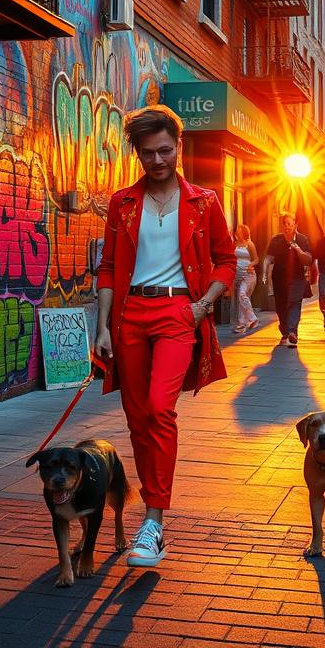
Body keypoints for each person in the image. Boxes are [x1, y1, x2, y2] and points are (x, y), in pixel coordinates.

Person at [95, 105, 236, 566]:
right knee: (137, 418)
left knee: (160, 407)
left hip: (179, 313)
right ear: (137, 154)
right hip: (130, 314)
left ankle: (154, 520)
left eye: (166, 151)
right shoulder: (123, 202)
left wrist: (201, 306)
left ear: (179, 148)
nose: (158, 161)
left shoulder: (204, 201)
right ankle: (150, 518)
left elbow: (226, 260)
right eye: (149, 153)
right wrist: (103, 326)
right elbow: (110, 268)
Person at [263, 213, 312, 347]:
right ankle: (285, 331)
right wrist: (264, 272)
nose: (287, 227)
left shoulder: (302, 239)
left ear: (295, 225)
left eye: (290, 224)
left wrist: (299, 251)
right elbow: (269, 258)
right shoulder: (276, 240)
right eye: (285, 224)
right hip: (279, 278)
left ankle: (292, 332)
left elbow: (309, 260)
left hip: (297, 277)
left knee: (295, 302)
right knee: (281, 305)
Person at [232, 224, 259, 333]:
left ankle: (253, 319)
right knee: (240, 298)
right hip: (237, 275)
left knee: (242, 295)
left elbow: (256, 259)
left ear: (243, 232)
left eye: (239, 231)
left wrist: (251, 265)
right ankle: (242, 324)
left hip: (248, 275)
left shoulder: (249, 244)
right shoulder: (235, 244)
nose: (237, 232)